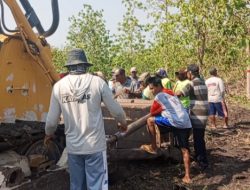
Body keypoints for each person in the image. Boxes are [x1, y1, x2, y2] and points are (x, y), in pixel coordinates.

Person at [44, 48, 127, 190]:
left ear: (69, 66)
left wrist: (48, 133)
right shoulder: (98, 83)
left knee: (77, 186)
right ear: (86, 65)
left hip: (73, 148)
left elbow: (51, 121)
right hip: (95, 146)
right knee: (97, 186)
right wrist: (123, 123)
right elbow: (116, 111)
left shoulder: (59, 87)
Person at [140, 76, 192, 184]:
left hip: (174, 122)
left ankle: (154, 146)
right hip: (186, 122)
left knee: (150, 120)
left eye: (152, 88)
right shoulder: (170, 92)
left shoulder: (159, 96)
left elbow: (153, 112)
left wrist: (160, 108)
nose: (151, 91)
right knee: (185, 149)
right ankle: (188, 176)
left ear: (158, 86)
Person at [176, 64, 209, 171]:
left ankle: (202, 162)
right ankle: (200, 158)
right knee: (200, 137)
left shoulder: (192, 83)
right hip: (204, 114)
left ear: (190, 73)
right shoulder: (203, 81)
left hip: (197, 115)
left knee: (198, 139)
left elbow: (180, 93)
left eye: (187, 73)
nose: (187, 75)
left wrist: (170, 95)